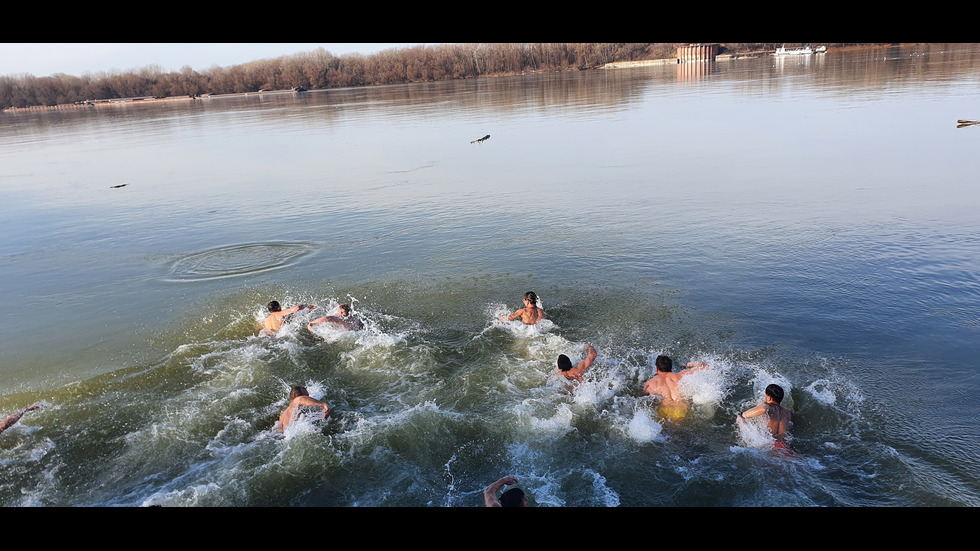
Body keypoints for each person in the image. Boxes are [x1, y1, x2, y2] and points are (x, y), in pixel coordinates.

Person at [641, 355, 709, 421]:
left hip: (664, 410)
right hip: (682, 409)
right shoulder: (682, 375)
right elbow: (705, 366)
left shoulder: (650, 383)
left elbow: (642, 400)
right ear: (671, 367)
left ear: (656, 368)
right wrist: (687, 364)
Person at [737, 384, 793, 449]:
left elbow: (763, 409)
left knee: (740, 419)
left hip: (771, 446)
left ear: (769, 398)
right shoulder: (788, 412)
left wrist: (742, 415)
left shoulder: (765, 405)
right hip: (784, 445)